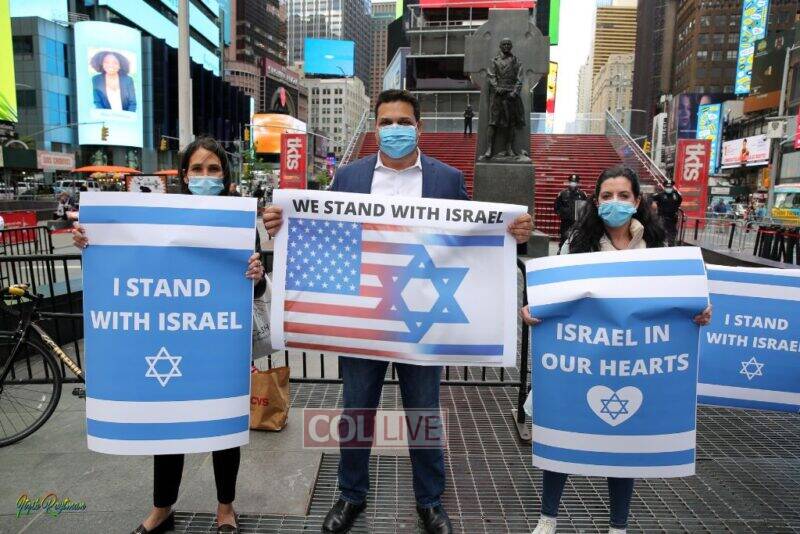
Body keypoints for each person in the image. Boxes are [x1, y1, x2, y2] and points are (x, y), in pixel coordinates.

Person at [263, 89, 533, 534]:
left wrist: (512, 232)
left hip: (421, 319)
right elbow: (323, 230)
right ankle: (350, 494)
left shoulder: (447, 179)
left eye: (403, 122)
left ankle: (430, 500)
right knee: (356, 410)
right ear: (375, 129)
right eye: (386, 122)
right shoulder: (349, 176)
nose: (395, 130)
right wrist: (283, 224)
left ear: (419, 128)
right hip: (364, 319)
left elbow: (475, 237)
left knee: (423, 412)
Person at [73, 137, 266, 534]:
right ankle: (162, 508)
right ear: (184, 175)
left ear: (225, 175)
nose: (206, 176)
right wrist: (88, 241)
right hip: (172, 336)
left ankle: (225, 508)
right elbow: (121, 253)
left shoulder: (240, 220)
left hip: (219, 342)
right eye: (197, 169)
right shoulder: (159, 216)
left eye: (214, 169)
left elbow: (257, 288)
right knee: (167, 422)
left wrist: (257, 274)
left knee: (223, 425)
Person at [521, 166, 712, 534]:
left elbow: (679, 301)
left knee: (624, 446)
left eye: (623, 196)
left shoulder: (656, 250)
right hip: (582, 363)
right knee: (562, 432)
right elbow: (552, 298)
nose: (615, 203)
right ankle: (548, 517)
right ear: (596, 201)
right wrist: (532, 310)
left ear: (638, 201)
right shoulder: (577, 245)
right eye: (607, 196)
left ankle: (618, 527)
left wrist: (700, 311)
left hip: (632, 364)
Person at [553, 174, 588, 248]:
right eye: (572, 181)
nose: (573, 183)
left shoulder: (582, 194)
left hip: (577, 221)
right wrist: (563, 213)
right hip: (566, 221)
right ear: (569, 182)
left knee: (577, 238)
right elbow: (557, 206)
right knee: (564, 237)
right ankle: (561, 250)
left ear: (578, 183)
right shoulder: (563, 193)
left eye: (575, 182)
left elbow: (586, 206)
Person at [652, 179, 682, 246]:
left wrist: (675, 209)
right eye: (667, 187)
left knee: (672, 233)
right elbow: (650, 198)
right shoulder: (660, 195)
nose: (669, 188)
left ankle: (671, 246)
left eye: (670, 187)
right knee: (661, 231)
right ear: (664, 187)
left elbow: (679, 201)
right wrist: (653, 203)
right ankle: (661, 245)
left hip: (672, 218)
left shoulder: (676, 195)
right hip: (662, 217)